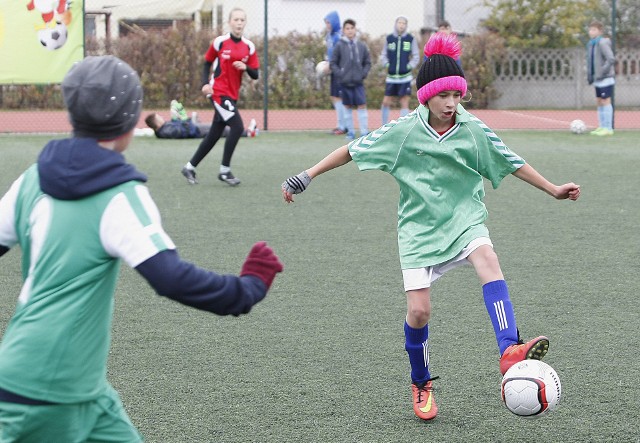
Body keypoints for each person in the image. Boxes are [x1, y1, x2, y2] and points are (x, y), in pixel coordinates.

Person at [282, 33, 580, 421]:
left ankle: (510, 347)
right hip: (418, 229)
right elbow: (352, 150)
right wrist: (308, 175)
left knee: (488, 258)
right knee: (419, 312)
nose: (452, 104)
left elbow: (511, 160)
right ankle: (421, 380)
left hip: (464, 218)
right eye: (444, 97)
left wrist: (553, 189)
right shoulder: (403, 131)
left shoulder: (472, 129)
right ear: (426, 96)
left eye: (457, 96)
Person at [0, 55, 283, 440]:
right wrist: (247, 288)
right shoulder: (119, 194)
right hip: (52, 391)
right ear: (131, 120)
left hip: (76, 388)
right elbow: (171, 279)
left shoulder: (32, 179)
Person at [181, 7, 259, 186]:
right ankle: (225, 171)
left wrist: (245, 67)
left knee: (214, 134)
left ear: (244, 23)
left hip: (232, 95)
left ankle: (190, 167)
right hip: (218, 93)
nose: (239, 23)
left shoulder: (249, 46)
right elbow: (206, 62)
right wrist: (204, 84)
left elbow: (255, 74)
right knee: (237, 126)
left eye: (242, 20)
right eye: (236, 19)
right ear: (229, 22)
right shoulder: (220, 42)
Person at [330, 18, 371, 140]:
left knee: (362, 105)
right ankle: (351, 132)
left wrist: (362, 74)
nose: (350, 31)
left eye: (352, 28)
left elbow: (367, 62)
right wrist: (341, 74)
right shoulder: (339, 46)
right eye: (347, 28)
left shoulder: (361, 46)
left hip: (358, 83)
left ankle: (364, 132)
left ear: (355, 30)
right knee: (347, 106)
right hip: (345, 83)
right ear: (343, 31)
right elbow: (333, 63)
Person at [379, 16, 420, 125]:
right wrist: (387, 65)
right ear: (395, 24)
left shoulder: (410, 39)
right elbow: (383, 55)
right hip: (391, 77)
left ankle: (403, 127)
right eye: (399, 23)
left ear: (406, 25)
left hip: (405, 77)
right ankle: (383, 126)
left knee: (404, 102)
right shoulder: (389, 39)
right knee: (386, 101)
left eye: (403, 23)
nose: (401, 25)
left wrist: (408, 66)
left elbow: (416, 56)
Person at [586, 20, 615, 136]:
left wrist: (602, 71)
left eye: (594, 30)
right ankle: (602, 126)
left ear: (600, 31)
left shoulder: (603, 42)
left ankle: (608, 128)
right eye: (590, 29)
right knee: (599, 102)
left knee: (605, 101)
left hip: (605, 78)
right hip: (597, 79)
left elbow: (611, 59)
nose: (591, 32)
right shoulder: (591, 44)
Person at [144, 111, 257, 139]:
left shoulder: (165, 128)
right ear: (157, 123)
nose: (162, 118)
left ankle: (246, 132)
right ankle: (247, 133)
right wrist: (185, 121)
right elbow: (181, 131)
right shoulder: (165, 131)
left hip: (194, 127)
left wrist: (179, 118)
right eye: (159, 118)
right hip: (196, 130)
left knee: (220, 126)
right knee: (221, 130)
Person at [323, 10, 347, 135]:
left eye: (328, 22)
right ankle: (340, 124)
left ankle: (343, 127)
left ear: (334, 22)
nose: (327, 25)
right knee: (334, 96)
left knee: (339, 97)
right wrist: (327, 63)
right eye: (326, 22)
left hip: (339, 71)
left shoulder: (338, 36)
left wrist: (332, 65)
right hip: (333, 70)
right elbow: (330, 53)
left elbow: (340, 55)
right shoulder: (329, 36)